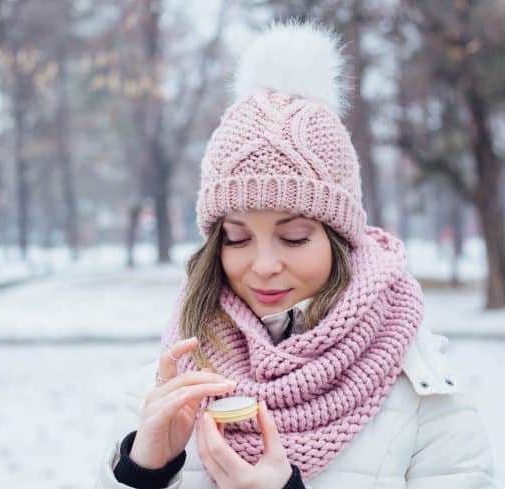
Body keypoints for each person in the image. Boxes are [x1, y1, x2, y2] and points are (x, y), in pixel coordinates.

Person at [93, 19, 498, 489]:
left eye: (295, 237)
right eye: (237, 239)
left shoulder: (419, 388)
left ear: (339, 239)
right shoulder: (177, 372)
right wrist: (145, 471)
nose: (263, 265)